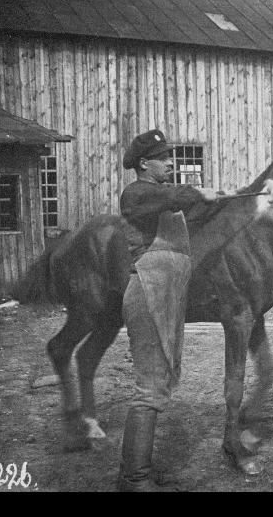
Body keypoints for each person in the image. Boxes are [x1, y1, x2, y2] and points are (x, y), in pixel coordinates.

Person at [116, 129, 223, 492]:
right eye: (163, 158)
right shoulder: (138, 193)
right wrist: (199, 192)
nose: (170, 162)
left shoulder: (164, 199)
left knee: (157, 383)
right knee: (149, 387)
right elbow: (177, 195)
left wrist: (220, 197)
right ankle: (135, 479)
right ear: (144, 163)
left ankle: (133, 473)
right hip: (147, 295)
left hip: (165, 298)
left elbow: (190, 202)